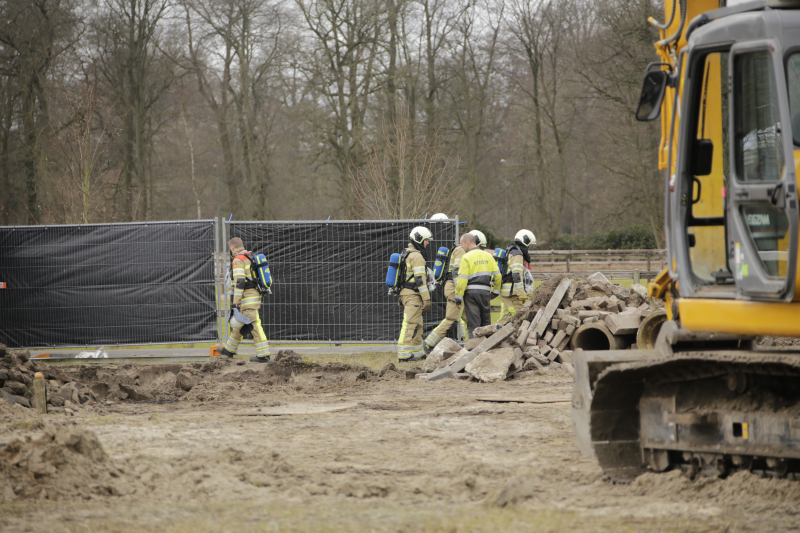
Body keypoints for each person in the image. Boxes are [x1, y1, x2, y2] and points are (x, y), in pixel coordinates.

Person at [215, 237, 271, 362]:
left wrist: (236, 300)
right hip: (253, 294)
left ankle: (263, 355)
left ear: (232, 248)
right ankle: (229, 350)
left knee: (254, 325)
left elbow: (240, 281)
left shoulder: (238, 259)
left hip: (247, 297)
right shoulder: (248, 256)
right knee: (239, 323)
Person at [423, 214, 467, 353]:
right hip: (454, 289)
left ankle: (468, 342)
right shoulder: (460, 249)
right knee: (451, 319)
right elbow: (457, 273)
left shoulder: (453, 246)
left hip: (453, 288)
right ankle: (428, 344)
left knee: (468, 317)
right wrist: (459, 293)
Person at [454, 233, 501, 338]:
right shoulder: (488, 256)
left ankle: (474, 349)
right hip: (485, 294)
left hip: (471, 294)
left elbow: (462, 280)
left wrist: (458, 298)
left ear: (467, 243)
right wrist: (495, 293)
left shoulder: (466, 257)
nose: (461, 247)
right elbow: (498, 276)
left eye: (462, 244)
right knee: (486, 324)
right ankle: (488, 349)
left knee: (474, 325)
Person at [397, 226, 433, 362]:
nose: (427, 243)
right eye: (426, 240)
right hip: (412, 294)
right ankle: (404, 355)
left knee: (418, 324)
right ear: (419, 239)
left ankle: (418, 353)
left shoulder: (406, 253)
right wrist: (427, 299)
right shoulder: (417, 256)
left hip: (407, 293)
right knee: (410, 323)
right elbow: (419, 280)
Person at [497, 229, 536, 325]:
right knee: (521, 319)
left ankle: (490, 336)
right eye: (529, 245)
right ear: (525, 241)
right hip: (513, 294)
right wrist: (521, 293)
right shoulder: (517, 254)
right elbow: (516, 274)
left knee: (504, 319)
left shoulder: (511, 251)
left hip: (506, 293)